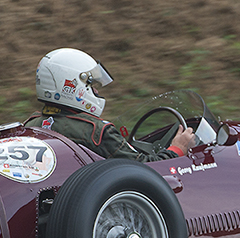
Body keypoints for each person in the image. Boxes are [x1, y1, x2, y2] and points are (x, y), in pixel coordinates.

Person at [25, 48, 195, 161]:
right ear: (73, 86)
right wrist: (177, 149)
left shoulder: (30, 126)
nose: (97, 92)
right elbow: (147, 168)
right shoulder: (96, 133)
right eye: (91, 86)